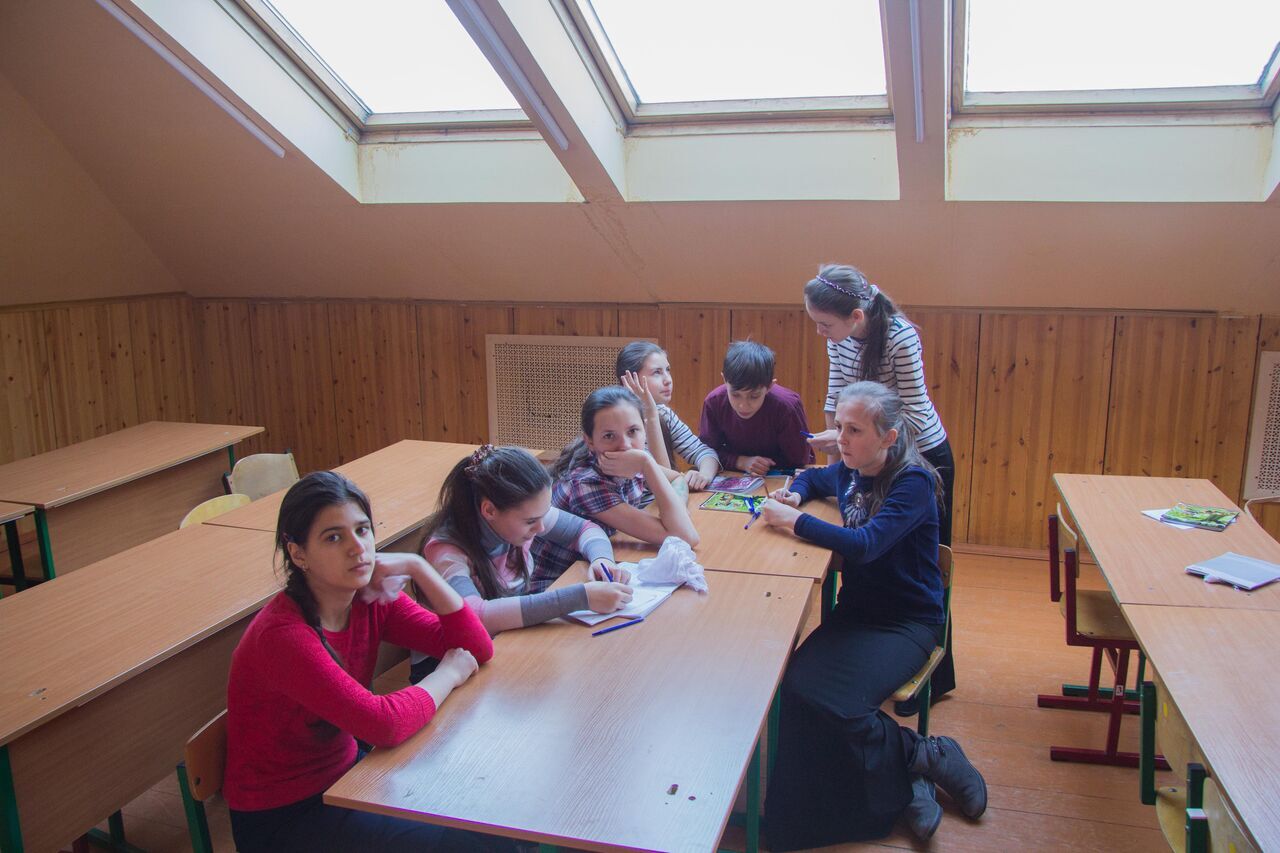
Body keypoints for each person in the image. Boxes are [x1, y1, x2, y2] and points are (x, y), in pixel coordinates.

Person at [224, 471, 508, 852]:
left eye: (362, 530)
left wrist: (417, 566)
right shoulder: (282, 635)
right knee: (465, 844)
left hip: (348, 777)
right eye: (334, 537)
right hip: (285, 816)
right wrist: (448, 673)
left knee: (490, 815)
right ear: (298, 554)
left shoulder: (366, 597)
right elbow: (383, 725)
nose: (358, 548)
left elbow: (476, 647)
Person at [759, 382, 985, 848]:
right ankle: (911, 769)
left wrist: (794, 522)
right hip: (857, 613)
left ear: (889, 437)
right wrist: (796, 495)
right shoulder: (851, 467)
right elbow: (814, 478)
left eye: (854, 430)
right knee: (795, 692)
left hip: (907, 622)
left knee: (837, 704)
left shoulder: (913, 482)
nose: (840, 439)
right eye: (840, 426)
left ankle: (926, 754)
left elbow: (865, 546)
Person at [803, 263, 958, 706]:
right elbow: (836, 396)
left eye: (824, 324)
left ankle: (932, 677)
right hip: (872, 449)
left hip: (917, 454)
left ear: (856, 317)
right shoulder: (838, 336)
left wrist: (872, 454)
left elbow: (908, 413)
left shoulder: (900, 338)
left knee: (920, 568)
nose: (819, 332)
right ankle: (873, 654)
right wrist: (840, 447)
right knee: (873, 562)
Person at [408, 445, 633, 680]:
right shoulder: (446, 550)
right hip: (445, 667)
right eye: (531, 522)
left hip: (499, 646)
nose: (541, 528)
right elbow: (475, 616)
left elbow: (586, 530)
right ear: (489, 510)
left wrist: (602, 560)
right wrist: (580, 597)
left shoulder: (521, 515)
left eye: (542, 516)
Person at [533, 386, 699, 590]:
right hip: (558, 586)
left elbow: (678, 480)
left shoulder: (634, 459)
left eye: (633, 431)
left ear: (644, 429)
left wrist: (675, 510)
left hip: (596, 571)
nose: (625, 445)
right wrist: (647, 464)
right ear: (590, 441)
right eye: (609, 436)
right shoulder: (587, 484)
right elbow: (685, 537)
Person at [616, 340, 720, 490]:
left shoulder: (663, 413)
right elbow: (662, 483)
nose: (668, 380)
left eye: (668, 370)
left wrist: (704, 475)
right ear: (630, 380)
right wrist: (651, 415)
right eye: (657, 372)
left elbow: (704, 452)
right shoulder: (619, 426)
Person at [697, 340, 812, 475]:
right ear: (724, 380)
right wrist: (740, 461)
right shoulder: (714, 402)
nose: (743, 405)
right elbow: (706, 452)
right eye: (735, 395)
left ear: (769, 386)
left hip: (783, 474)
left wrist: (762, 465)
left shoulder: (788, 407)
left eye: (754, 396)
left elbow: (799, 459)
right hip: (735, 472)